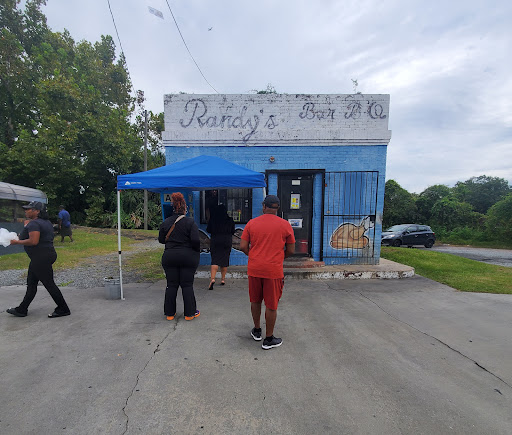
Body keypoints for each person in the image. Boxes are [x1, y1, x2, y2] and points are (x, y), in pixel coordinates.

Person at [240, 195, 295, 350]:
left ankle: (257, 330)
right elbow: (291, 249)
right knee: (271, 305)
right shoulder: (285, 225)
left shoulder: (252, 223)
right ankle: (269, 339)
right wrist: (278, 258)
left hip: (255, 268)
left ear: (264, 206)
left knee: (255, 300)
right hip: (273, 270)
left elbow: (243, 246)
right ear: (277, 208)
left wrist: (254, 256)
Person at [7, 201, 71, 318]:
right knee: (31, 283)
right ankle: (22, 309)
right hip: (44, 255)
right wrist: (25, 229)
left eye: (29, 209)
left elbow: (33, 241)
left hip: (41, 257)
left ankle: (63, 308)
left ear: (37, 211)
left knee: (49, 284)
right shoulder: (45, 222)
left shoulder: (35, 224)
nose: (26, 211)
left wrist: (16, 242)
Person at [158, 192, 201, 321]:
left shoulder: (166, 222)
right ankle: (190, 314)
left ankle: (170, 314)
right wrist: (195, 252)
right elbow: (196, 241)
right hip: (187, 256)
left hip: (169, 256)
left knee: (171, 284)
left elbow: (161, 240)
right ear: (184, 209)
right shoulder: (190, 222)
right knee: (187, 285)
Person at [207, 204, 235, 289]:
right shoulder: (230, 220)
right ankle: (223, 279)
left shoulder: (213, 220)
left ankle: (212, 279)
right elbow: (233, 231)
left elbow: (208, 230)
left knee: (215, 260)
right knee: (225, 259)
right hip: (226, 241)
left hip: (216, 240)